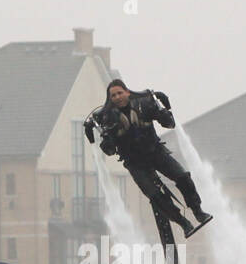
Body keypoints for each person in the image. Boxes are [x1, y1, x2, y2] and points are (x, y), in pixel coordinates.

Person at [84, 79, 212, 238]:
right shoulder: (108, 118)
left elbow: (169, 124)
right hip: (135, 163)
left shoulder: (143, 104)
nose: (117, 97)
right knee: (155, 196)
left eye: (120, 93)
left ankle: (198, 211)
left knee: (183, 177)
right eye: (113, 95)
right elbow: (109, 151)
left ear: (127, 92)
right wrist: (108, 140)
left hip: (155, 152)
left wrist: (164, 111)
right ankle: (183, 222)